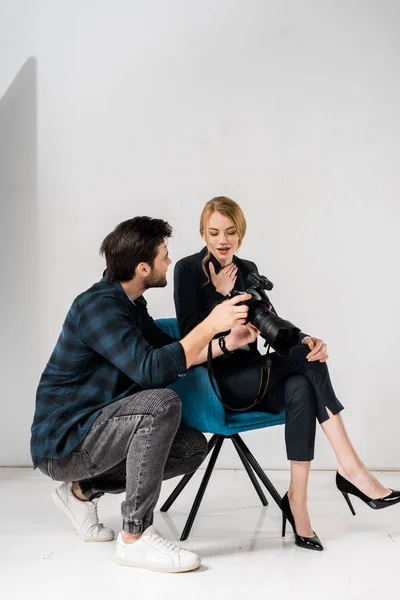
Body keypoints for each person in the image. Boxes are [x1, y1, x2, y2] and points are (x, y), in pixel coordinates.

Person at [174, 196, 400, 552]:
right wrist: (219, 296)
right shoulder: (187, 270)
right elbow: (188, 340)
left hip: (257, 374)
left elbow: (271, 323)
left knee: (302, 383)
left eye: (230, 232)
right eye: (214, 232)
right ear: (202, 232)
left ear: (241, 233)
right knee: (307, 365)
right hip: (218, 382)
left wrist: (304, 337)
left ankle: (298, 503)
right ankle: (352, 470)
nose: (222, 240)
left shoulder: (248, 268)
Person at [31, 216, 256, 573]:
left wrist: (226, 343)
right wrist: (211, 322)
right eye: (164, 256)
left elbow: (172, 352)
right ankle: (134, 537)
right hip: (65, 442)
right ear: (142, 267)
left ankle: (80, 492)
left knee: (193, 447)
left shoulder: (131, 303)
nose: (169, 262)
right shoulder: (98, 306)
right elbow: (151, 371)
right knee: (161, 404)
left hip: (100, 428)